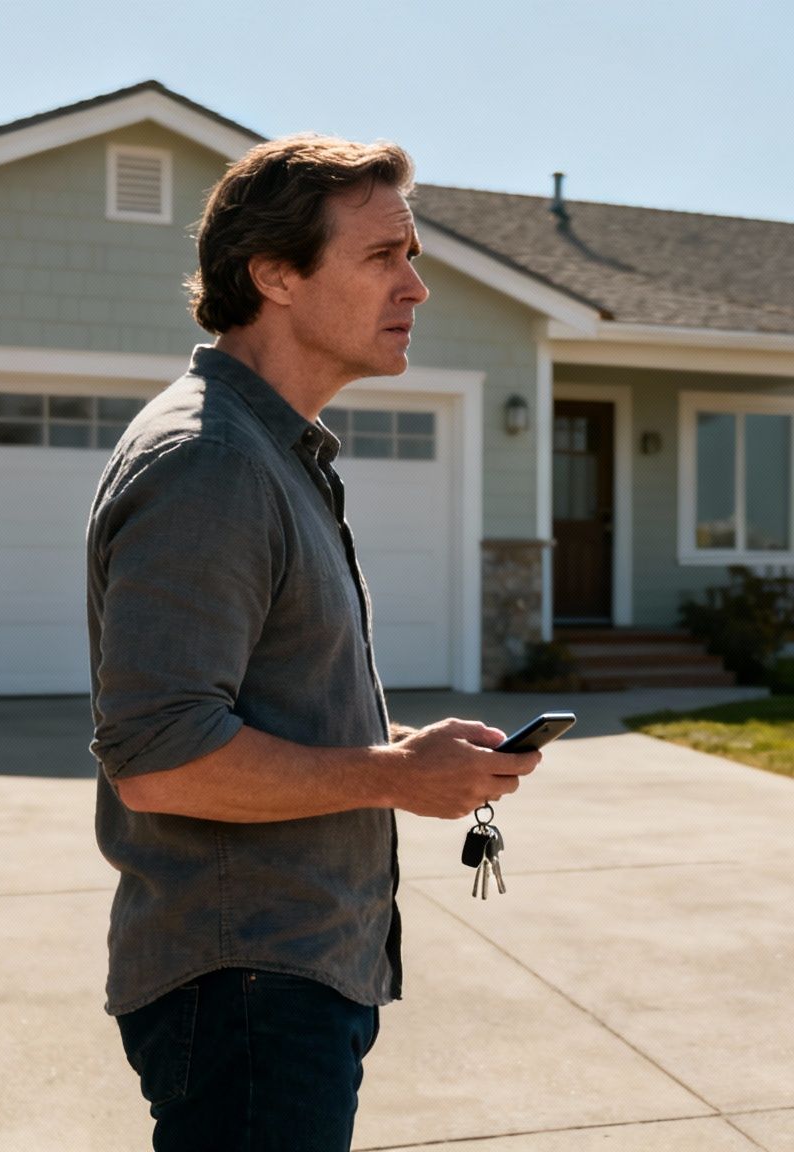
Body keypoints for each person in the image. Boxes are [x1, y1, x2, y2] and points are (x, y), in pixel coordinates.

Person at [85, 133, 539, 1152]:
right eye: (383, 256)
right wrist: (390, 776)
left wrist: (417, 758)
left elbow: (254, 703)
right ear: (275, 275)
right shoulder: (208, 463)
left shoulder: (268, 453)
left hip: (282, 979)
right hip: (246, 987)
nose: (415, 287)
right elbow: (159, 760)